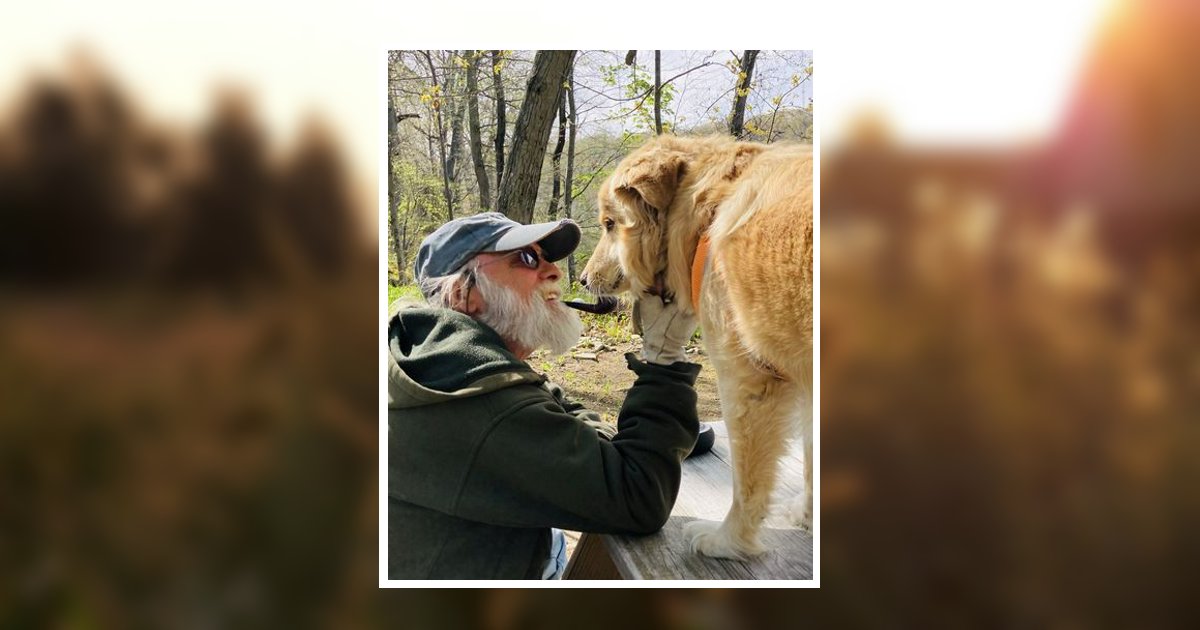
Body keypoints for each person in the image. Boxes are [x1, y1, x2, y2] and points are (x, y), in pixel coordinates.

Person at [388, 212, 703, 580]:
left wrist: (587, 437)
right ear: (464, 294)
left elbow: (555, 404)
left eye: (547, 257)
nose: (554, 271)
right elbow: (640, 494)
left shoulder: (435, 356)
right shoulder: (478, 398)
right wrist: (665, 358)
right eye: (526, 258)